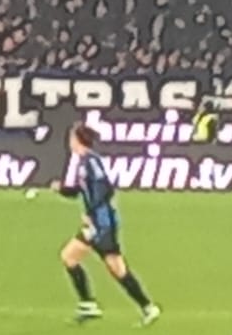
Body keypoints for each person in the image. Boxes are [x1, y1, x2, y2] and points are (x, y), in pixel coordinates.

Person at [51, 123, 160, 326]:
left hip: (103, 224)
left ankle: (148, 307)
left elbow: (105, 189)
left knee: (116, 268)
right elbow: (78, 191)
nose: (69, 141)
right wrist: (62, 189)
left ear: (77, 140)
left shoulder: (91, 161)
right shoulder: (82, 162)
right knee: (69, 257)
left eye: (72, 137)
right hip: (95, 224)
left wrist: (91, 214)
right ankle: (88, 305)